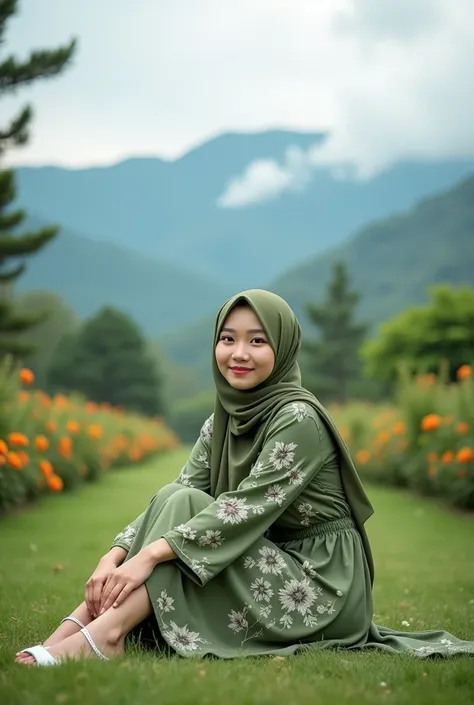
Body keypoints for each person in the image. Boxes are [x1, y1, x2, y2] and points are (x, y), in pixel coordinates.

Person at [17, 290, 474, 666]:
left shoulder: (298, 418)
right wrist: (113, 556)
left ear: (283, 347)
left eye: (257, 341)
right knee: (178, 495)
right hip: (265, 558)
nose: (238, 354)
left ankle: (105, 635)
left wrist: (149, 556)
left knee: (189, 515)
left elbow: (245, 511)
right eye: (228, 339)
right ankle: (75, 632)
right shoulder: (222, 421)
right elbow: (176, 497)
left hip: (319, 587)